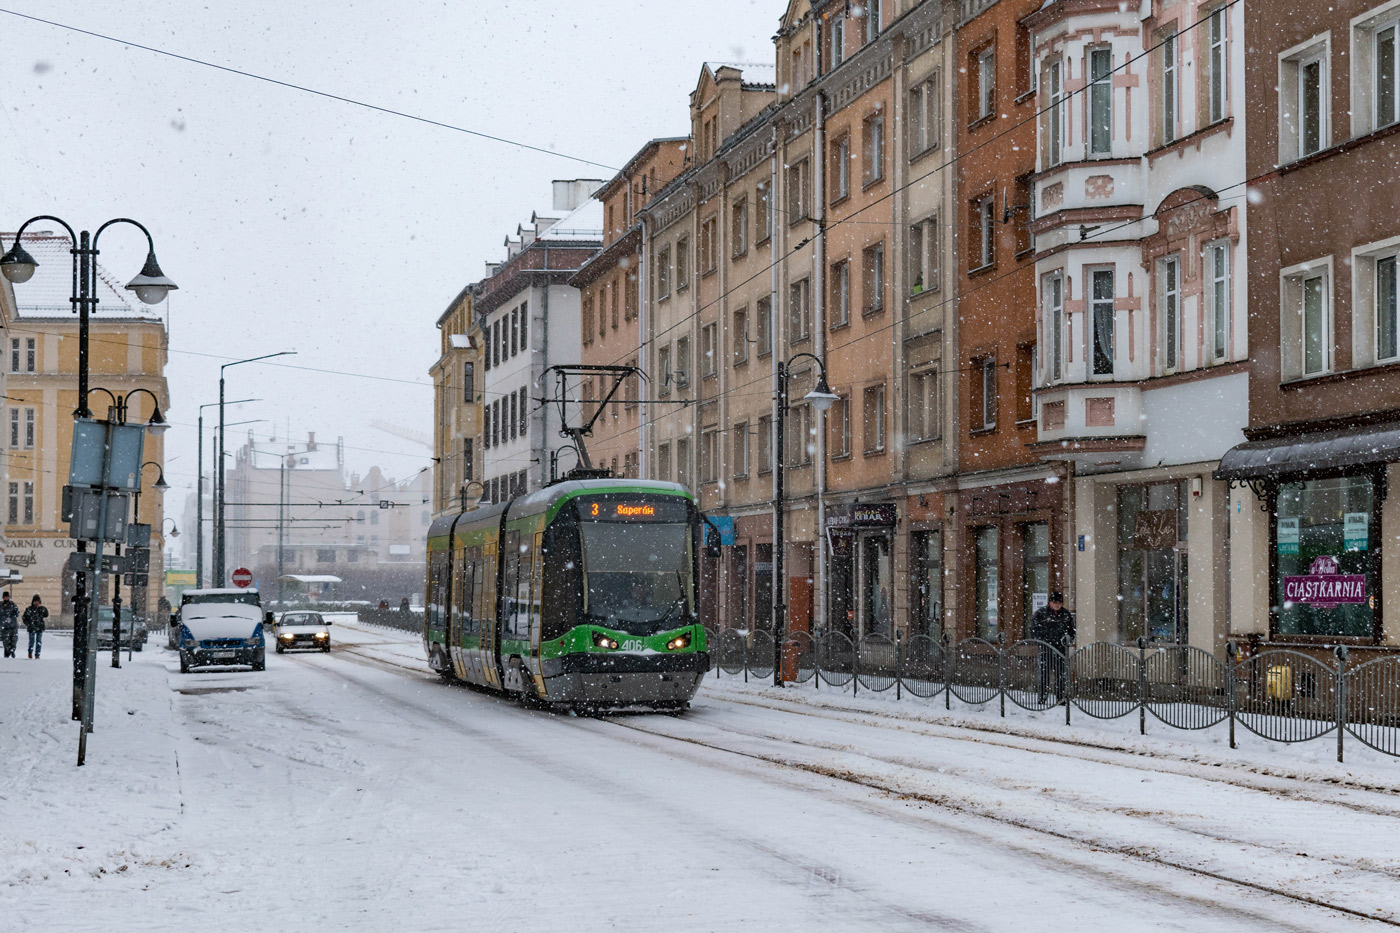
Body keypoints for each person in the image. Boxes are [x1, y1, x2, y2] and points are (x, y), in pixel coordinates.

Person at [1028, 591, 1075, 703]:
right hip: (1045, 649)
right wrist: (1041, 641)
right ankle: (1042, 697)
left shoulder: (1066, 614)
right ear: (1050, 602)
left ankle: (1061, 698)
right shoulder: (1041, 613)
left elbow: (1071, 631)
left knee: (1061, 675)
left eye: (1060, 602)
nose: (1057, 604)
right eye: (1055, 602)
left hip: (1061, 650)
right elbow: (1033, 629)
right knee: (1044, 675)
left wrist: (1068, 640)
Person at [23, 594, 48, 660]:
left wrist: (42, 608)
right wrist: (28, 624)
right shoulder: (29, 609)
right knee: (32, 641)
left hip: (39, 627)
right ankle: (30, 652)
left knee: (38, 641)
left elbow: (46, 614)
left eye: (37, 601)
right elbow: (24, 617)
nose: (36, 603)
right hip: (32, 627)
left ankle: (37, 654)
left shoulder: (41, 609)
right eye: (35, 601)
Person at [0, 592, 18, 658]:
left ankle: (12, 650)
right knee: (5, 641)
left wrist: (11, 618)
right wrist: (4, 619)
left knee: (13, 640)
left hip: (12, 626)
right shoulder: (0, 605)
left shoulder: (12, 604)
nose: (6, 598)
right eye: (5, 597)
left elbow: (16, 613)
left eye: (7, 597)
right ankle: (7, 652)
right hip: (4, 626)